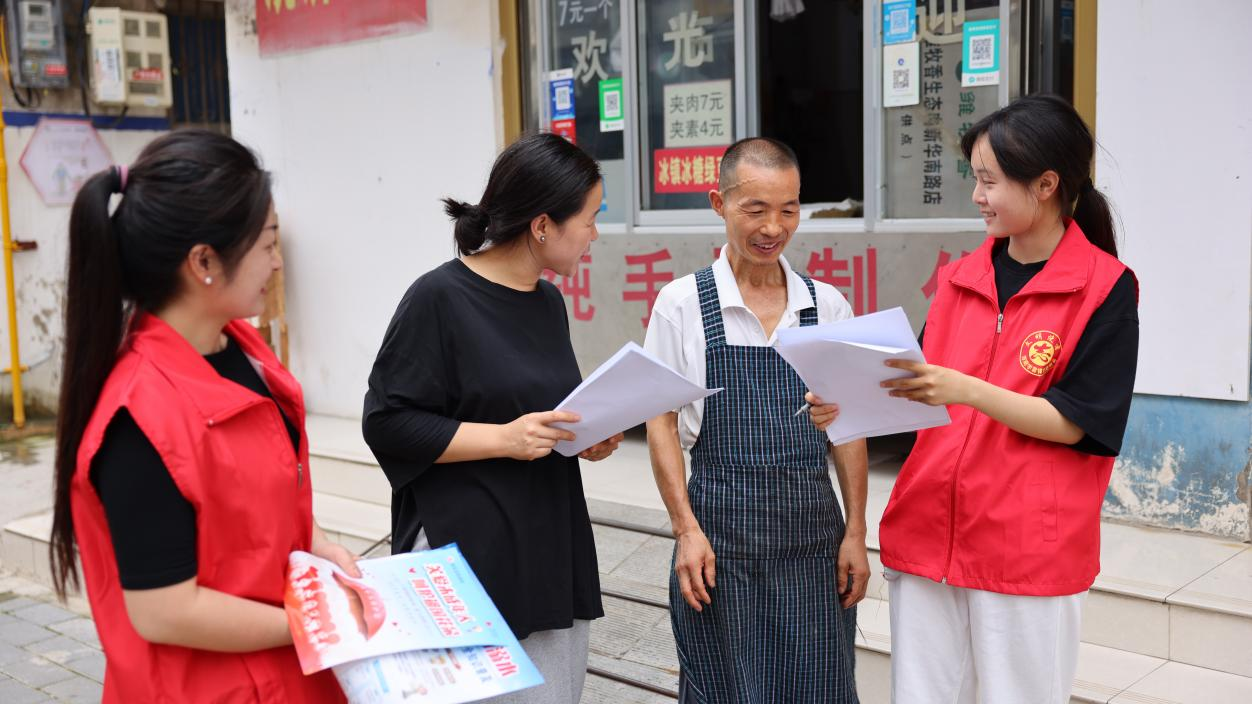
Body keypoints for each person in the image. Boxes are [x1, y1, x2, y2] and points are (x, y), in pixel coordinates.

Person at [808, 94, 1139, 703]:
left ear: (1045, 184)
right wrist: (848, 402)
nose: (977, 196)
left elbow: (1077, 422)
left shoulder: (1105, 290)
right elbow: (916, 394)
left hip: (1026, 550)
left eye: (989, 181)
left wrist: (966, 390)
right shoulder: (962, 277)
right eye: (975, 179)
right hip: (928, 533)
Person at [49, 130, 357, 703]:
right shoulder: (138, 419)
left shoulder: (240, 348)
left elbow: (263, 502)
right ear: (204, 262)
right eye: (267, 243)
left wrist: (320, 547)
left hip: (290, 678)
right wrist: (312, 623)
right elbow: (163, 610)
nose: (278, 261)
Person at [361, 133, 623, 703]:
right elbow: (386, 421)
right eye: (589, 218)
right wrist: (503, 438)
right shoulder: (438, 298)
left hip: (548, 539)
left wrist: (586, 434)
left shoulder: (547, 302)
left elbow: (545, 411)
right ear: (543, 226)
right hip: (468, 552)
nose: (595, 234)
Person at [645, 137, 868, 704]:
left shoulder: (826, 306)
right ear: (718, 203)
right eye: (756, 209)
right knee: (727, 689)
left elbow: (849, 427)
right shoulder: (682, 304)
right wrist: (685, 531)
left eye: (789, 209)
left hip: (812, 543)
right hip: (720, 541)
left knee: (821, 688)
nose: (774, 227)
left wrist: (857, 533)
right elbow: (660, 420)